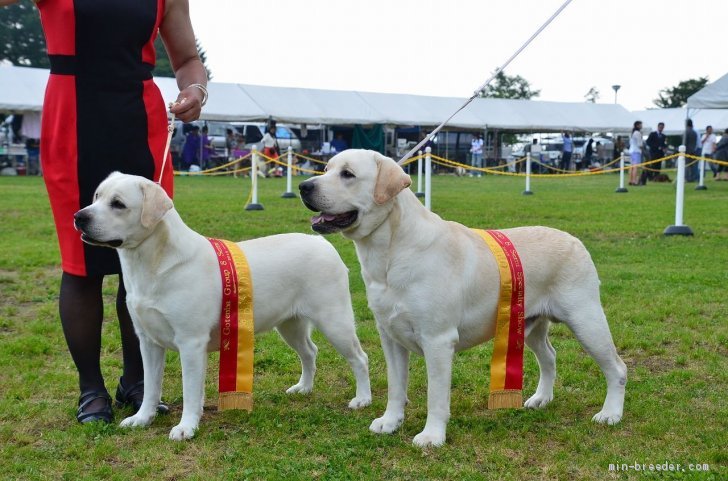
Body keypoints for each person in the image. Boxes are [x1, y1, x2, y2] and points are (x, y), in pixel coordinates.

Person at [0, 0, 208, 424]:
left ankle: (136, 383)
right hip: (71, 117)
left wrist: (195, 89)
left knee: (146, 254)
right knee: (81, 264)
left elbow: (188, 59)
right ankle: (90, 389)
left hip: (142, 122)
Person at [628, 121, 643, 185]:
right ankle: (634, 181)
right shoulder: (637, 133)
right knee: (635, 167)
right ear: (637, 125)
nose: (641, 126)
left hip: (631, 151)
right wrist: (643, 149)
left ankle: (631, 180)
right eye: (640, 125)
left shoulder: (633, 133)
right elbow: (640, 144)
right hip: (636, 151)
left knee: (632, 167)